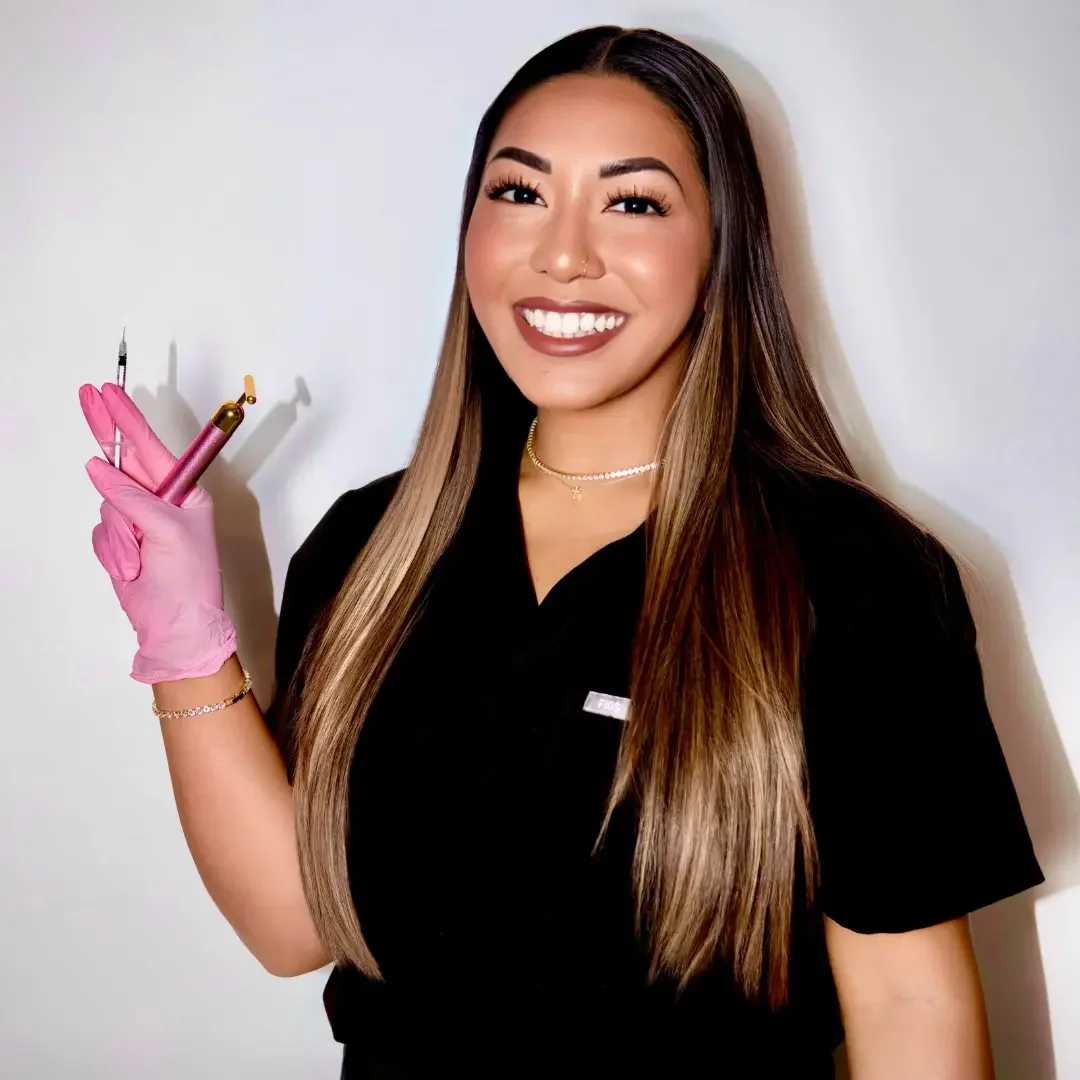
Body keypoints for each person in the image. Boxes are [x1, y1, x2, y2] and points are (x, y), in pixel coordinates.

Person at [80, 24, 1044, 1080]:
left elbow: (911, 1008)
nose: (564, 254)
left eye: (633, 202)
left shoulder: (854, 575)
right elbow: (292, 926)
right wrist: (183, 640)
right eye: (519, 193)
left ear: (722, 244)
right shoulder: (374, 547)